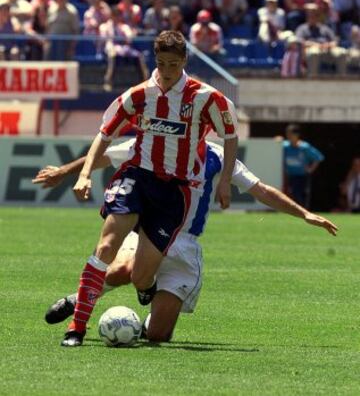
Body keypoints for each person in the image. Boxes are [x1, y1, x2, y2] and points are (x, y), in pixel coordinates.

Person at [33, 139, 338, 342]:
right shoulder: (155, 140)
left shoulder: (218, 155)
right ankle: (78, 301)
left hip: (185, 246)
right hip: (149, 231)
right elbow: (104, 156)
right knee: (124, 269)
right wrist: (64, 171)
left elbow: (261, 189)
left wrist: (304, 214)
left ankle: (135, 322)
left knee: (158, 336)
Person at [58, 30, 239, 346]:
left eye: (172, 64)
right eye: (161, 63)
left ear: (183, 61)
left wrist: (224, 180)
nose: (166, 70)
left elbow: (230, 135)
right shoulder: (139, 95)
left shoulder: (207, 97)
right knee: (106, 247)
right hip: (137, 178)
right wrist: (85, 173)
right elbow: (105, 134)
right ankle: (76, 327)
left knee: (140, 275)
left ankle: (145, 287)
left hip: (174, 193)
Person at [295, 3, 347, 77]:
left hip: (327, 50)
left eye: (314, 16)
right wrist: (316, 45)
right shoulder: (302, 28)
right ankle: (313, 78)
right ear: (307, 17)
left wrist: (329, 45)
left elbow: (335, 40)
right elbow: (300, 41)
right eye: (310, 16)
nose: (312, 18)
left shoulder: (324, 28)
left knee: (342, 52)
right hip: (312, 50)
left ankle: (342, 78)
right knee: (314, 52)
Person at [283, 123, 324, 208]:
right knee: (291, 194)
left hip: (302, 176)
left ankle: (304, 211)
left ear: (297, 134)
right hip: (290, 175)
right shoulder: (285, 146)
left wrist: (310, 169)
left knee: (301, 195)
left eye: (290, 134)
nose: (289, 136)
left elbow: (318, 158)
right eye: (287, 134)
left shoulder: (304, 147)